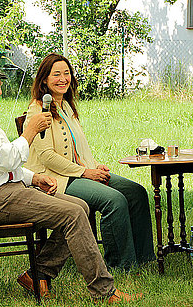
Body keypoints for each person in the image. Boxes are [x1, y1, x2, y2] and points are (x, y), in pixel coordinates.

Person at [0, 63, 141, 303]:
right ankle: (104, 292)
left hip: (6, 190)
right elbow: (6, 159)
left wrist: (33, 178)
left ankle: (37, 275)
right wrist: (30, 131)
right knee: (73, 215)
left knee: (81, 207)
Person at [24, 53, 155, 270]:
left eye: (66, 73)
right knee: (113, 200)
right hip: (56, 178)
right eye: (56, 74)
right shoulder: (38, 110)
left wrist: (94, 166)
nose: (63, 79)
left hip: (79, 172)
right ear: (44, 79)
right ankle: (120, 265)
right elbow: (48, 156)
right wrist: (85, 173)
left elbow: (79, 146)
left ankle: (143, 259)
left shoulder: (65, 105)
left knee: (136, 192)